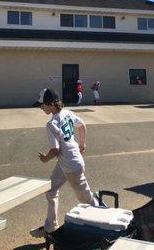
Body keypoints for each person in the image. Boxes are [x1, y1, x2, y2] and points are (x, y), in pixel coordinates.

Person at [30, 88, 98, 238]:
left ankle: (103, 218)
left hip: (72, 166)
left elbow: (55, 150)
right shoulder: (67, 113)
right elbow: (82, 125)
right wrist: (82, 144)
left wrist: (45, 159)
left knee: (86, 199)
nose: (41, 108)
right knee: (51, 190)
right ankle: (50, 227)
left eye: (42, 106)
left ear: (51, 104)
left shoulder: (51, 124)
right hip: (67, 162)